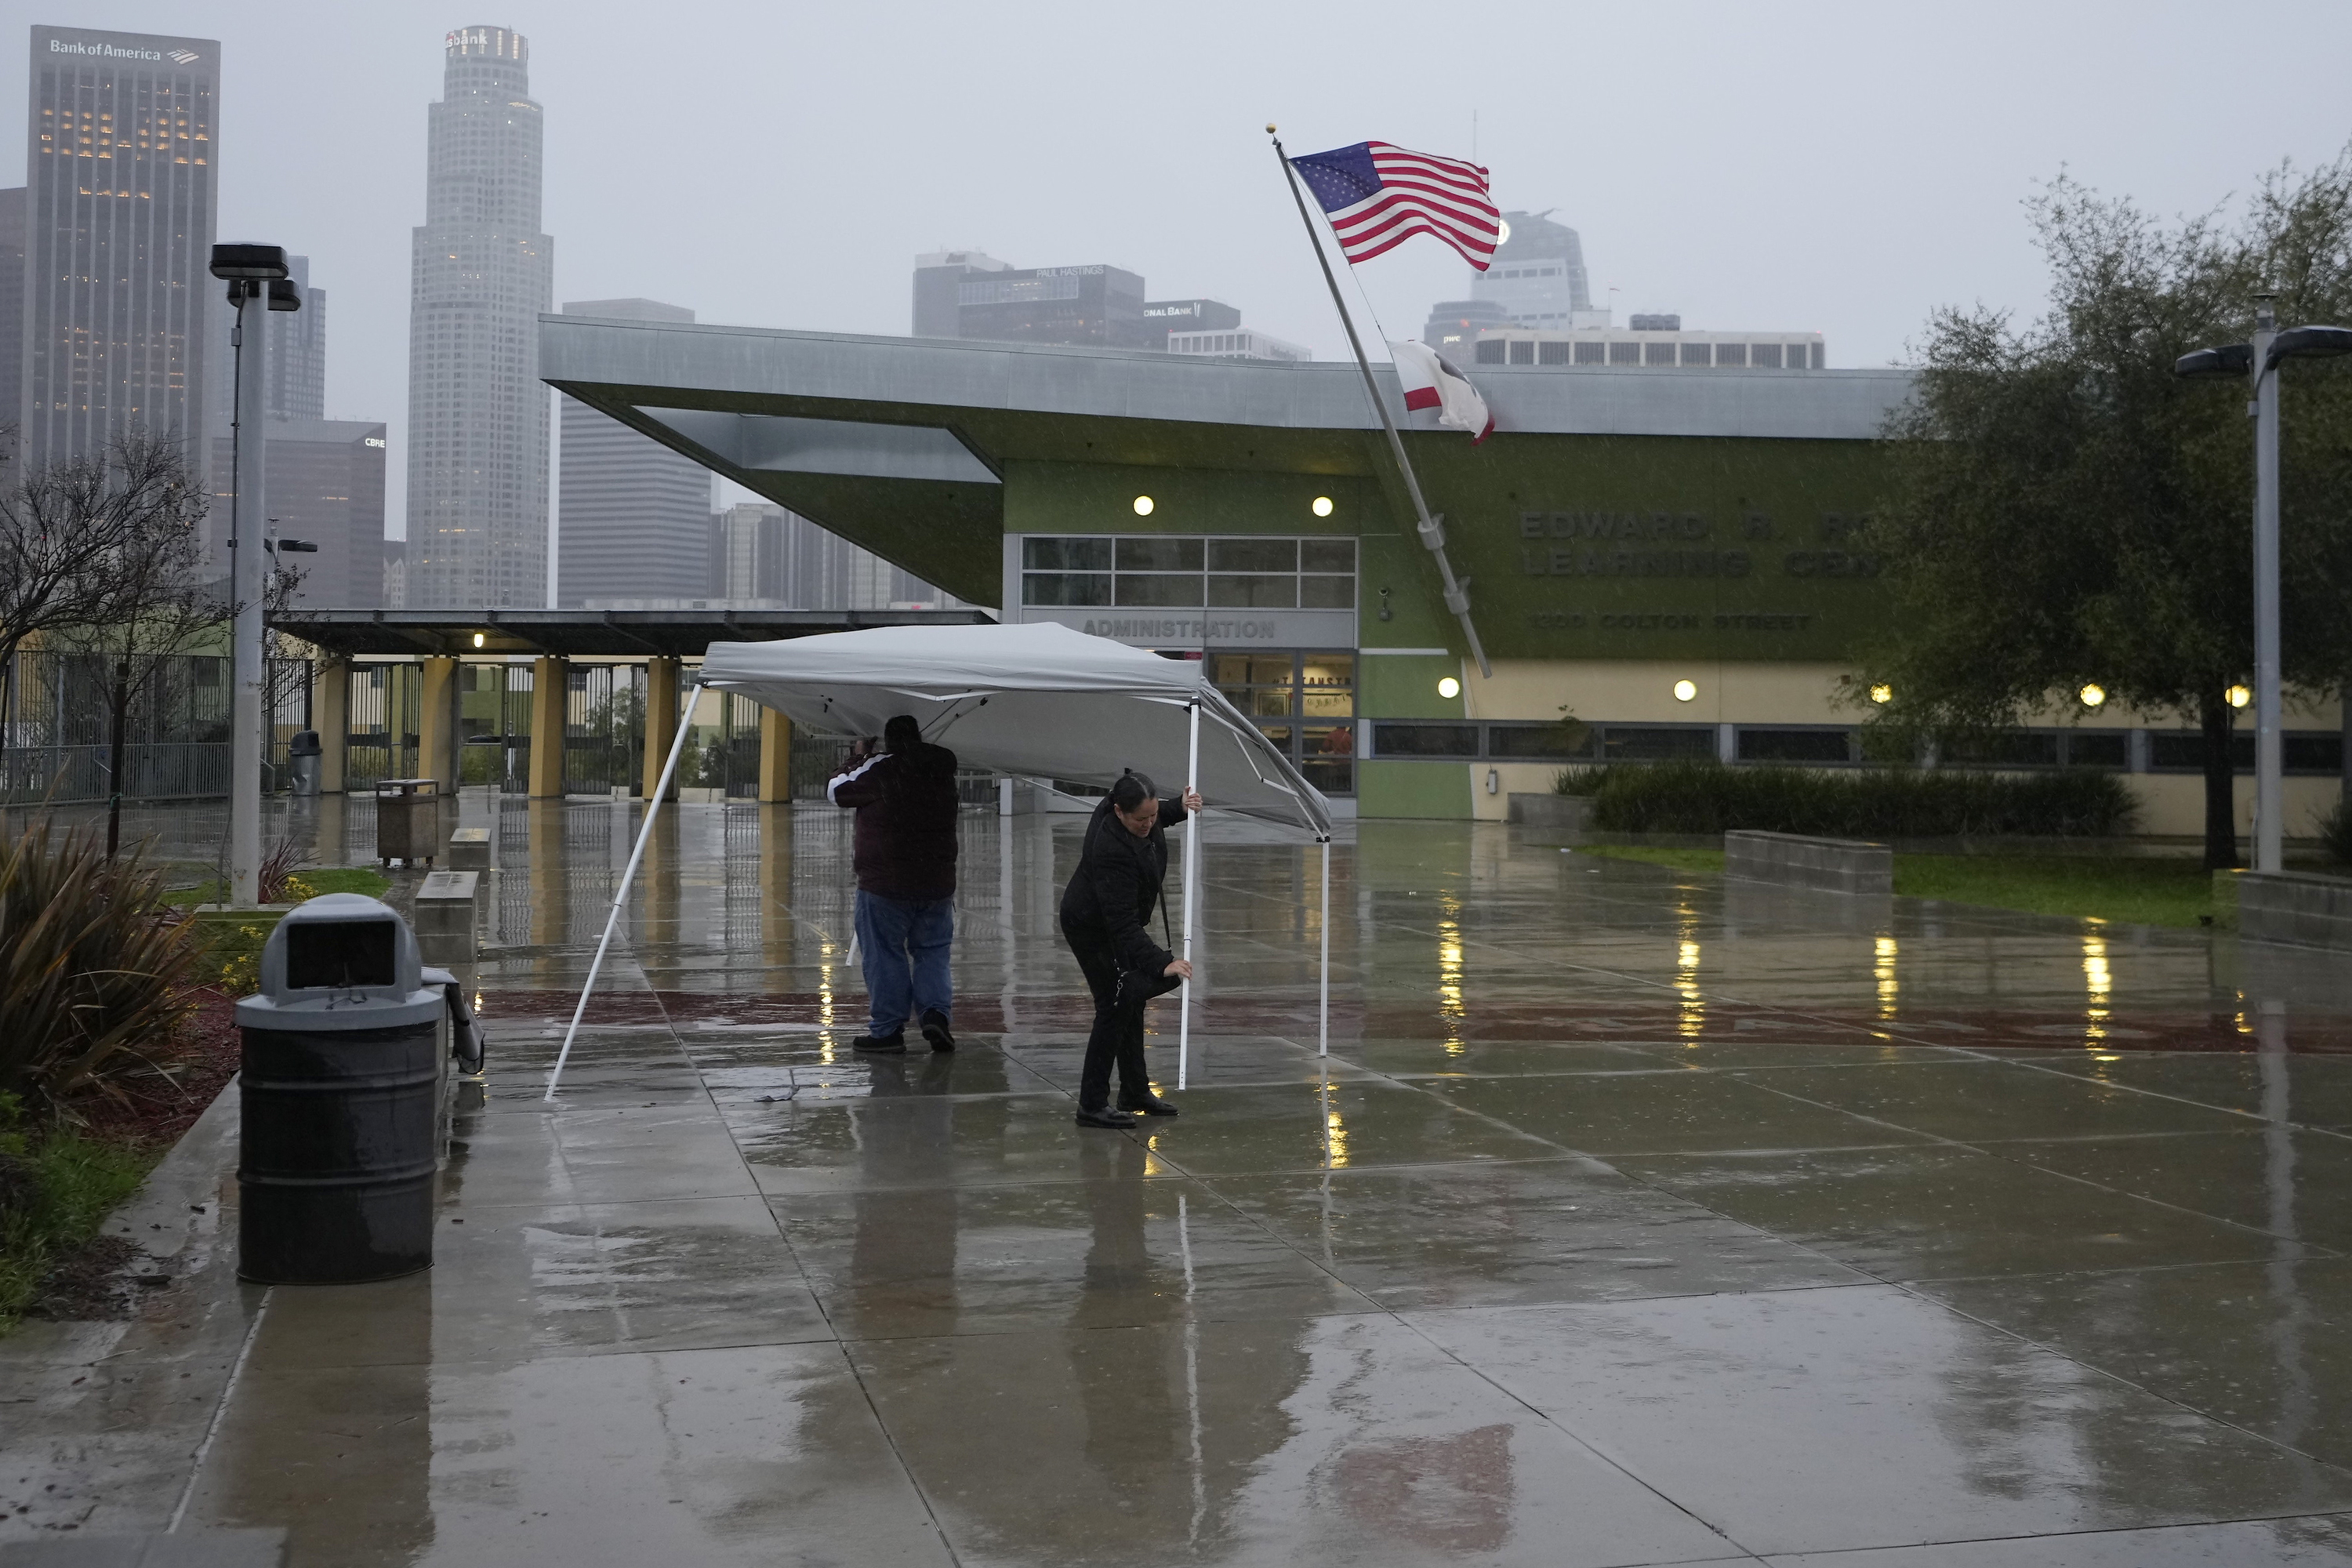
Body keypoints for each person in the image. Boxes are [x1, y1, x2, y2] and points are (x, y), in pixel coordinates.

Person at [1058, 771, 1202, 1128]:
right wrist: (1161, 964)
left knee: (1131, 999)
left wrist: (1178, 808)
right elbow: (1121, 924)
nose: (1150, 824)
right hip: (1090, 927)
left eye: (1153, 815)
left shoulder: (1136, 814)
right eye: (1142, 819)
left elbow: (1156, 815)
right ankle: (1091, 1104)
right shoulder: (1110, 849)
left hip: (1114, 923)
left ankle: (1135, 1090)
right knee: (1113, 1004)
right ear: (1119, 812)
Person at [829, 713, 960, 1053]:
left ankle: (887, 1031)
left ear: (886, 741)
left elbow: (837, 791)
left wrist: (860, 756)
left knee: (884, 955)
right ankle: (935, 1015)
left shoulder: (883, 769)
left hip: (885, 883)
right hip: (937, 882)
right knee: (932, 953)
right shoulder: (942, 768)